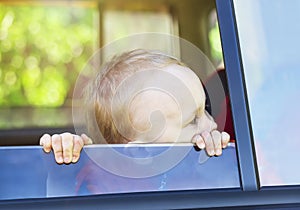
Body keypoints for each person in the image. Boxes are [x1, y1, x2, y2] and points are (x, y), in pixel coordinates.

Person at [40, 49, 230, 164]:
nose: (211, 124)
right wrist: (67, 158)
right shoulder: (103, 184)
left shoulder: (201, 165)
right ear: (142, 151)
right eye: (193, 121)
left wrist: (220, 154)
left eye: (205, 108)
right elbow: (61, 197)